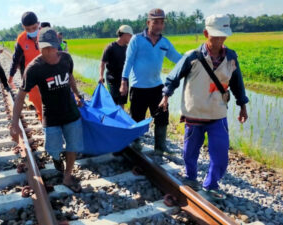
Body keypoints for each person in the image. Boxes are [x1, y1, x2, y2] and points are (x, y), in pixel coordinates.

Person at [160, 14, 249, 200]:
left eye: (223, 36)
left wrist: (242, 105)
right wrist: (166, 96)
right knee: (190, 152)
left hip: (218, 114)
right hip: (195, 113)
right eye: (215, 35)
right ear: (206, 33)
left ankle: (211, 185)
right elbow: (173, 78)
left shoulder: (231, 57)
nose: (219, 40)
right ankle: (190, 177)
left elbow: (237, 83)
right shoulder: (192, 57)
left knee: (221, 155)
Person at [10, 28, 83, 193]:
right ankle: (57, 158)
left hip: (71, 112)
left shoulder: (66, 59)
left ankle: (67, 175)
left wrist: (77, 95)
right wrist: (14, 122)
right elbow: (21, 96)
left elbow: (70, 77)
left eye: (52, 47)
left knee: (73, 146)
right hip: (51, 115)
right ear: (38, 46)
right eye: (44, 48)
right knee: (53, 148)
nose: (49, 52)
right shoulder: (34, 68)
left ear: (58, 45)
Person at [119, 8, 182, 154]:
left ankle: (160, 147)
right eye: (155, 22)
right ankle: (135, 143)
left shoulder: (165, 42)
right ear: (148, 22)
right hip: (138, 86)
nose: (159, 25)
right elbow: (128, 62)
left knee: (162, 116)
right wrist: (124, 81)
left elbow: (177, 58)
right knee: (137, 117)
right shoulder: (137, 39)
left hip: (156, 87)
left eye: (161, 22)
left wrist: (193, 58)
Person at [9, 11, 43, 121]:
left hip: (47, 71)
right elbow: (16, 59)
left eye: (34, 28)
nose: (32, 31)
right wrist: (11, 76)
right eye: (28, 29)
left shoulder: (46, 34)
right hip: (31, 75)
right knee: (37, 100)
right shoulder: (21, 40)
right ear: (23, 27)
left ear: (38, 24)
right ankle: (42, 119)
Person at [99, 25, 133, 109]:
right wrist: (101, 76)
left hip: (124, 79)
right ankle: (113, 120)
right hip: (112, 80)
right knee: (113, 101)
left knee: (122, 101)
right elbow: (102, 63)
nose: (131, 38)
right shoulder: (110, 47)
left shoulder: (128, 48)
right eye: (130, 36)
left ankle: (120, 119)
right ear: (124, 35)